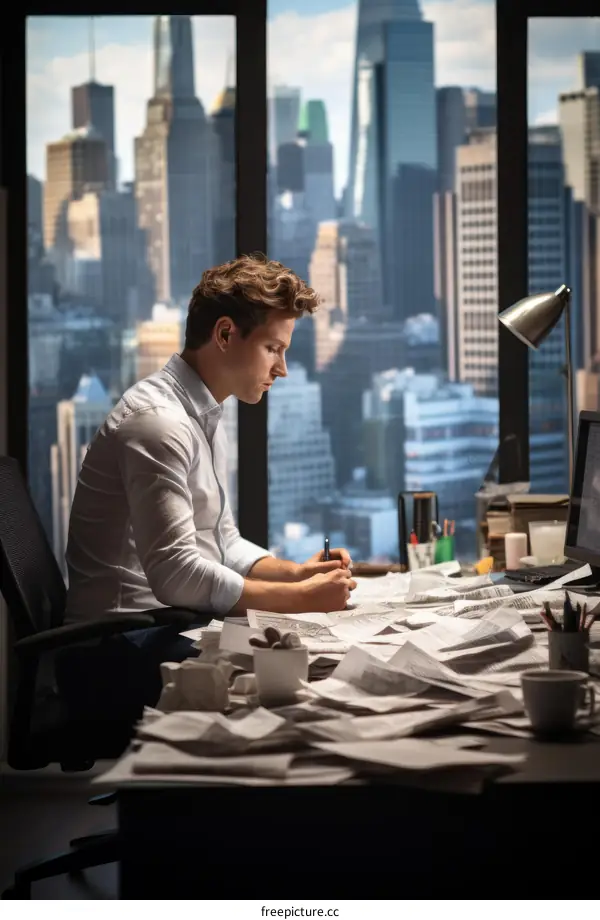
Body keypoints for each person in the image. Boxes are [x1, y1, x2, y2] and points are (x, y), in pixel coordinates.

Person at [61, 255, 355, 716]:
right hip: (116, 650)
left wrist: (296, 574)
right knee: (309, 682)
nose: (282, 369)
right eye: (273, 349)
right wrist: (297, 600)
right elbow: (177, 573)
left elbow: (221, 542)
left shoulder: (201, 412)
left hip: (165, 627)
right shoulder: (159, 423)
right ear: (224, 335)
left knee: (319, 667)